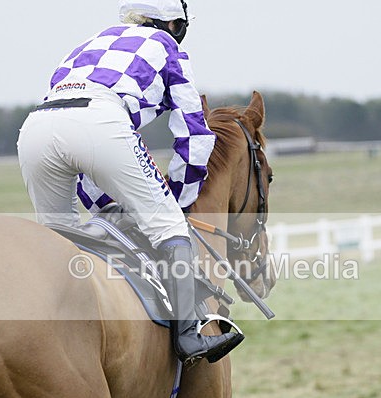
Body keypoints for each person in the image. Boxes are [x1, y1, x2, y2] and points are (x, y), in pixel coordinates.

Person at [17, 0, 243, 365]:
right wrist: (179, 202)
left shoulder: (90, 41)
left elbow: (79, 156)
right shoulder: (168, 47)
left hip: (36, 129)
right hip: (100, 122)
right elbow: (195, 134)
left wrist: (106, 203)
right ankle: (187, 336)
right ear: (174, 24)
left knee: (58, 243)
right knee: (169, 225)